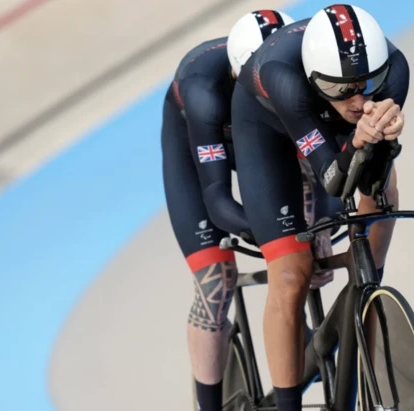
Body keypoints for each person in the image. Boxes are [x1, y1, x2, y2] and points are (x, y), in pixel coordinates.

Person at [230, 4, 409, 410]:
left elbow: (373, 174)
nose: (361, 99)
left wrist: (381, 141)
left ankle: (367, 287)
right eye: (345, 90)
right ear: (315, 79)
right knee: (292, 275)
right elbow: (331, 177)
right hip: (268, 129)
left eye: (370, 85)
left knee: (388, 188)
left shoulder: (395, 70)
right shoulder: (283, 77)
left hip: (325, 117)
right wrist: (360, 141)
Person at [159, 10, 294, 411]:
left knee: (304, 252)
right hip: (196, 150)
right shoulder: (204, 91)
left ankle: (299, 338)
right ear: (238, 78)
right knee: (217, 281)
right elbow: (218, 202)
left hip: (257, 139)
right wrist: (270, 234)